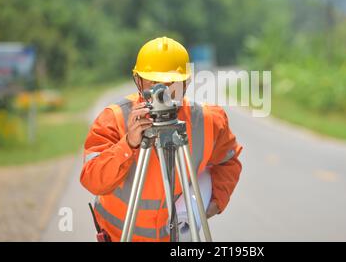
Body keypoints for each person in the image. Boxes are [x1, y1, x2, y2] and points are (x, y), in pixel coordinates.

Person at [80, 36, 243, 242]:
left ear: (186, 82)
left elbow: (228, 162)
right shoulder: (115, 119)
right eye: (154, 82)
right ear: (138, 81)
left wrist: (213, 203)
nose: (162, 92)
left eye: (170, 83)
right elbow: (94, 181)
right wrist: (128, 143)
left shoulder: (208, 121)